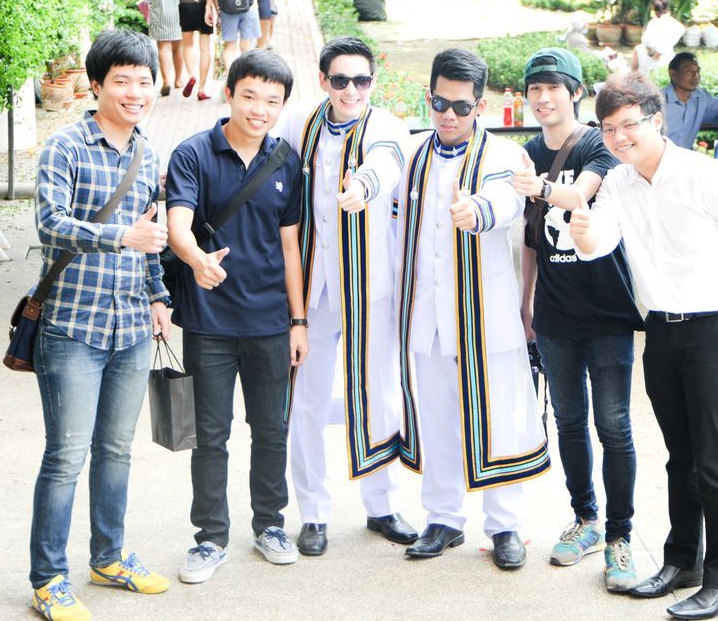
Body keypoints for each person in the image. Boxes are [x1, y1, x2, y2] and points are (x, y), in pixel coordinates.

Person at [570, 73, 718, 621]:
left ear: (656, 121)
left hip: (713, 327)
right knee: (681, 457)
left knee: (714, 459)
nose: (619, 137)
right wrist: (581, 230)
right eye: (608, 129)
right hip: (660, 329)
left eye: (628, 125)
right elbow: (598, 244)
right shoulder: (619, 183)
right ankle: (684, 562)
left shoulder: (703, 174)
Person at [29, 28, 171, 621]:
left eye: (144, 81)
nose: (135, 92)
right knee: (66, 456)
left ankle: (108, 559)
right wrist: (120, 236)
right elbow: (50, 223)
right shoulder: (64, 147)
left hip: (132, 326)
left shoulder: (148, 152)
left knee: (116, 450)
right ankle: (48, 580)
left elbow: (152, 237)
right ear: (96, 85)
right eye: (122, 82)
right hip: (72, 327)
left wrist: (158, 295)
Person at [397, 49, 550, 570]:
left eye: (461, 106)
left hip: (485, 316)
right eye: (440, 103)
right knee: (438, 419)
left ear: (480, 106)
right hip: (428, 317)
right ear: (429, 97)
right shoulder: (412, 153)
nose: (449, 114)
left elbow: (506, 201)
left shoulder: (504, 156)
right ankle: (443, 518)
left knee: (497, 418)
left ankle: (504, 525)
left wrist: (476, 210)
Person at [165, 49, 309, 583]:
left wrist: (298, 322)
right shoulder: (193, 154)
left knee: (271, 429)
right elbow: (178, 224)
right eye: (249, 96)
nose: (259, 109)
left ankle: (270, 525)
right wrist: (196, 260)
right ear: (229, 94)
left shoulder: (286, 161)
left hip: (270, 321)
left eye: (272, 101)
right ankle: (209, 538)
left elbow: (291, 247)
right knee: (209, 434)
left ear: (282, 105)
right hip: (209, 322)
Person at [272, 36, 417, 556]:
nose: (351, 90)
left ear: (373, 82)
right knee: (307, 401)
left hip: (370, 287)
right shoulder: (300, 124)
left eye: (361, 80)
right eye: (340, 80)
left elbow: (386, 162)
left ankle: (382, 505)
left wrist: (364, 188)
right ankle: (312, 512)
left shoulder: (387, 127)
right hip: (312, 292)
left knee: (378, 395)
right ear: (323, 81)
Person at [511, 49, 644, 588]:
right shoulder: (527, 152)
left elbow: (580, 194)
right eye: (535, 90)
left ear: (574, 93)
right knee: (568, 420)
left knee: (614, 425)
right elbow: (531, 238)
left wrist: (541, 187)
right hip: (555, 313)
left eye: (553, 89)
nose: (543, 99)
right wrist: (525, 302)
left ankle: (620, 536)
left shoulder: (596, 143)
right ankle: (585, 519)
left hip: (606, 309)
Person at [661, 52, 718, 151]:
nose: (696, 76)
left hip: (686, 157)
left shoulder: (701, 97)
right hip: (657, 158)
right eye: (689, 71)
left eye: (698, 71)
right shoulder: (658, 101)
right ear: (673, 74)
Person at [167, 0, 214, 101]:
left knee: (187, 45)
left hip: (185, 5)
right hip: (204, 4)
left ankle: (192, 75)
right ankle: (201, 89)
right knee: (205, 48)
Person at [144, 0, 185, 96]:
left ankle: (166, 80)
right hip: (180, 11)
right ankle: (178, 80)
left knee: (163, 48)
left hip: (160, 12)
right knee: (178, 47)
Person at [631, 0, 686, 76]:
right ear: (667, 7)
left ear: (652, 7)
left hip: (653, 58)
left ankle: (632, 77)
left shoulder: (653, 23)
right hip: (668, 58)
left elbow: (647, 41)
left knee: (637, 49)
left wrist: (654, 53)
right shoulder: (674, 23)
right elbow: (682, 30)